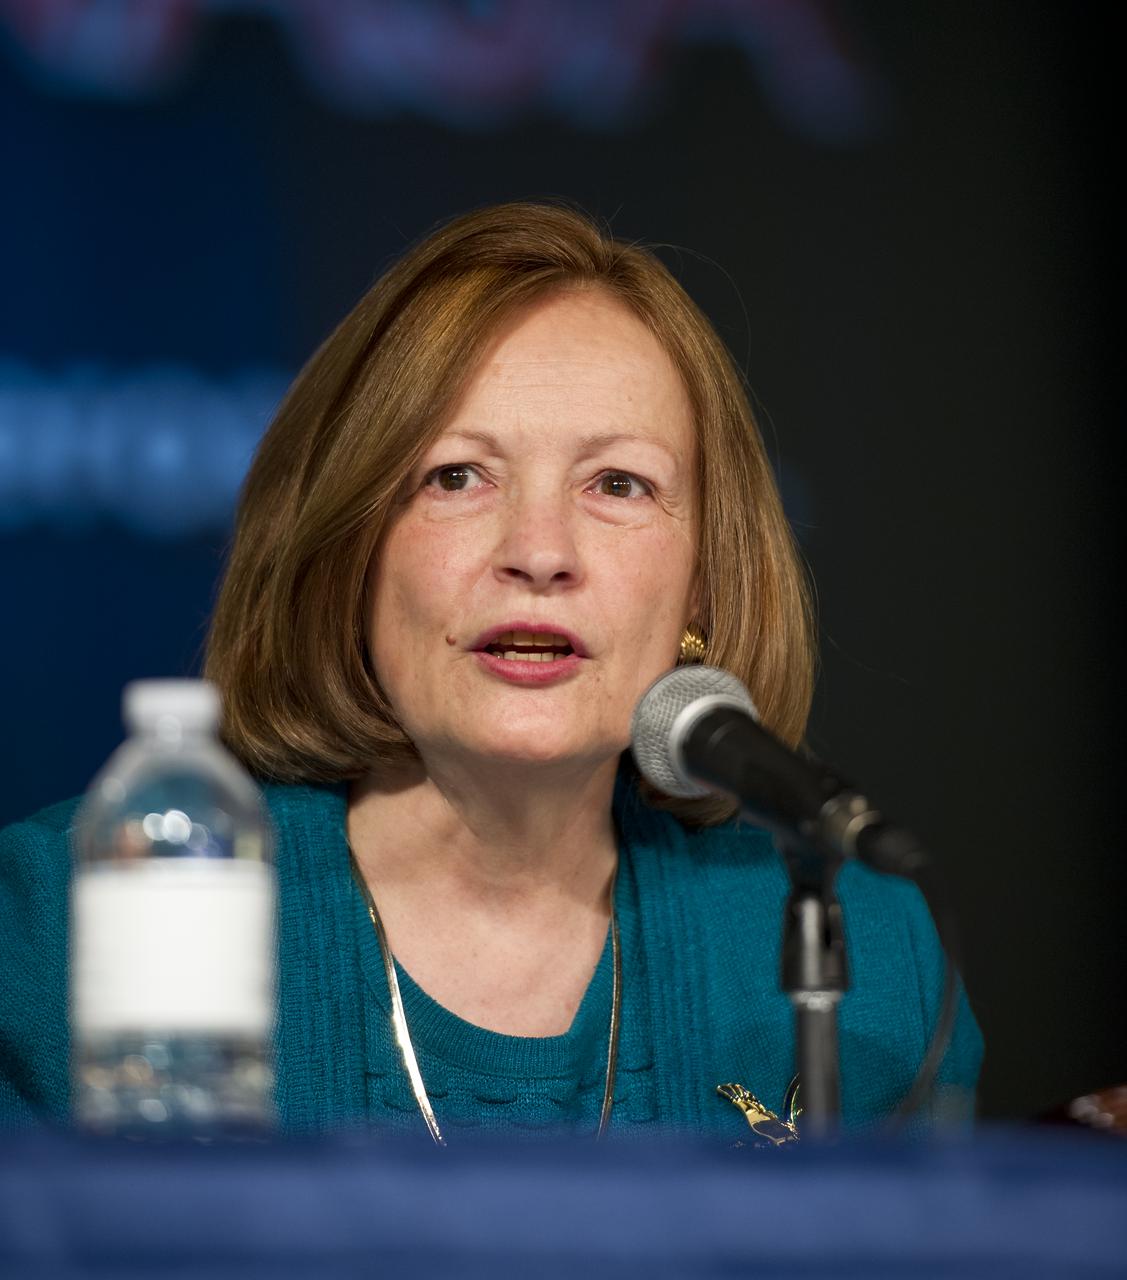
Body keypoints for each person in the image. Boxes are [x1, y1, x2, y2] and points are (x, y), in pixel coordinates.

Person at [0, 202, 981, 1138]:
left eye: (616, 483)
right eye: (457, 476)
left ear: (699, 585)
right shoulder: (65, 925)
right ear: (353, 552)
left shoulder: (864, 957)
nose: (539, 550)